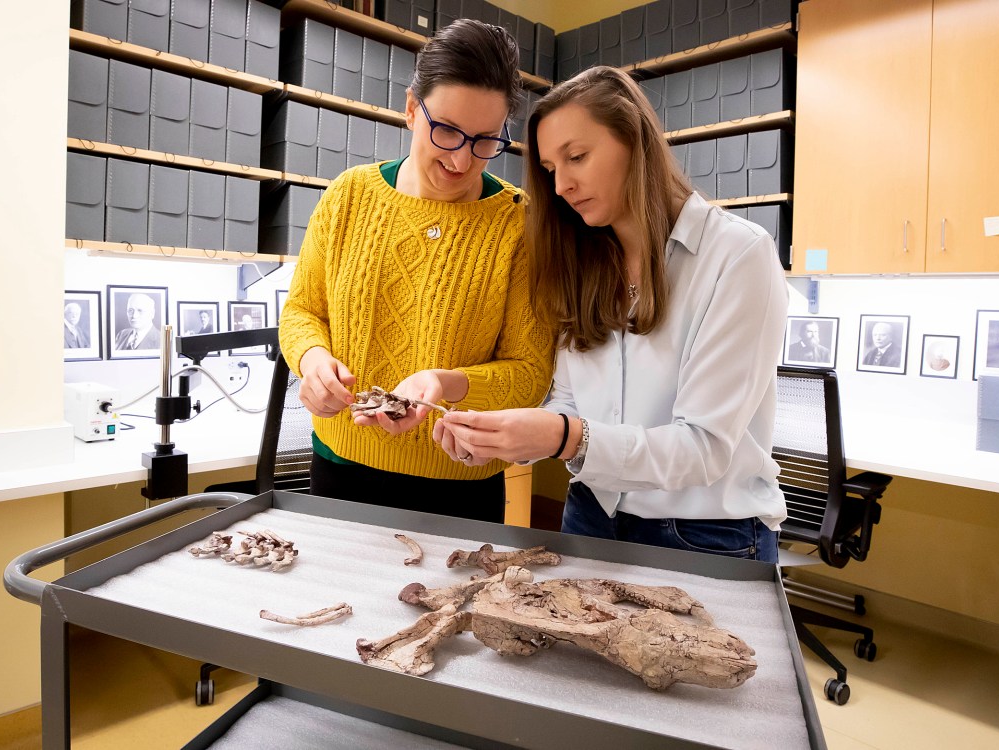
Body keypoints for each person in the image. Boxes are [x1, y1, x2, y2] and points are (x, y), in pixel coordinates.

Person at [437, 66, 788, 562]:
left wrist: (563, 438)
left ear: (634, 140)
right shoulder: (582, 262)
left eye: (577, 157)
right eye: (551, 169)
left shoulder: (738, 255)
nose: (561, 185)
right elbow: (567, 403)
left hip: (706, 535)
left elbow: (704, 447)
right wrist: (506, 438)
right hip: (589, 515)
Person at [278, 19, 554, 524]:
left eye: (485, 140)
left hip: (460, 492)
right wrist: (313, 360)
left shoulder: (520, 222)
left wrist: (445, 383)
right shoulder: (350, 196)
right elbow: (301, 311)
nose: (460, 159)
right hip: (340, 471)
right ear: (411, 109)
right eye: (446, 130)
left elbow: (530, 373)